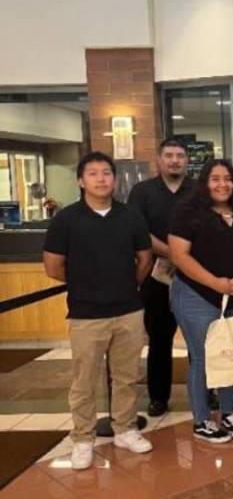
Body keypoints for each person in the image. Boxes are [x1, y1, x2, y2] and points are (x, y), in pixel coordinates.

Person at [43, 151, 154, 470]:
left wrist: (126, 284)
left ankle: (125, 429)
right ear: (81, 180)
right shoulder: (67, 219)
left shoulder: (130, 215)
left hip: (128, 310)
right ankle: (82, 438)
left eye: (106, 173)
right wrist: (86, 284)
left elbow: (145, 258)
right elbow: (53, 266)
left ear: (114, 179)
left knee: (127, 376)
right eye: (93, 173)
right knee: (84, 380)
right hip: (85, 314)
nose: (101, 178)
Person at [169, 159, 233, 443]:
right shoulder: (187, 213)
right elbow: (179, 256)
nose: (222, 184)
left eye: (227, 179)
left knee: (231, 352)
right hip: (197, 296)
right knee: (202, 358)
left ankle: (228, 412)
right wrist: (215, 284)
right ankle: (201, 419)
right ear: (204, 183)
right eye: (215, 179)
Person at [128, 138, 193, 417]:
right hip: (156, 277)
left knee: (200, 339)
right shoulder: (142, 192)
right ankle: (158, 397)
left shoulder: (199, 191)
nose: (175, 160)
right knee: (159, 339)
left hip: (195, 277)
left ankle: (207, 393)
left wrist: (185, 260)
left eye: (180, 156)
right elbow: (139, 232)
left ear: (187, 161)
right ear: (159, 160)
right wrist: (174, 254)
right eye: (169, 155)